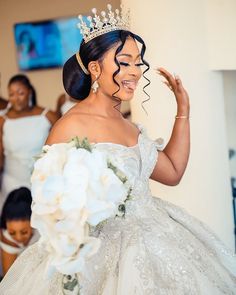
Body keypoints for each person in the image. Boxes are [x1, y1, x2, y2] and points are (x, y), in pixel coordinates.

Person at [0, 4, 235, 294]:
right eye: (124, 62)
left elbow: (173, 171)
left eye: (138, 62)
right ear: (96, 68)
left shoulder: (130, 126)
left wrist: (183, 112)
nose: (135, 72)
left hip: (158, 235)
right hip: (103, 253)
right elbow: (50, 206)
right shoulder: (70, 127)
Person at [0, 74, 58, 210]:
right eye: (11, 94)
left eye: (20, 93)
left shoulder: (48, 116)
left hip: (43, 181)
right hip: (11, 181)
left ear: (29, 93)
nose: (16, 99)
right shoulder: (3, 121)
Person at [0, 187, 39, 276]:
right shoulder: (7, 239)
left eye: (24, 232)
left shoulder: (43, 228)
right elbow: (9, 279)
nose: (18, 238)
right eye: (12, 233)